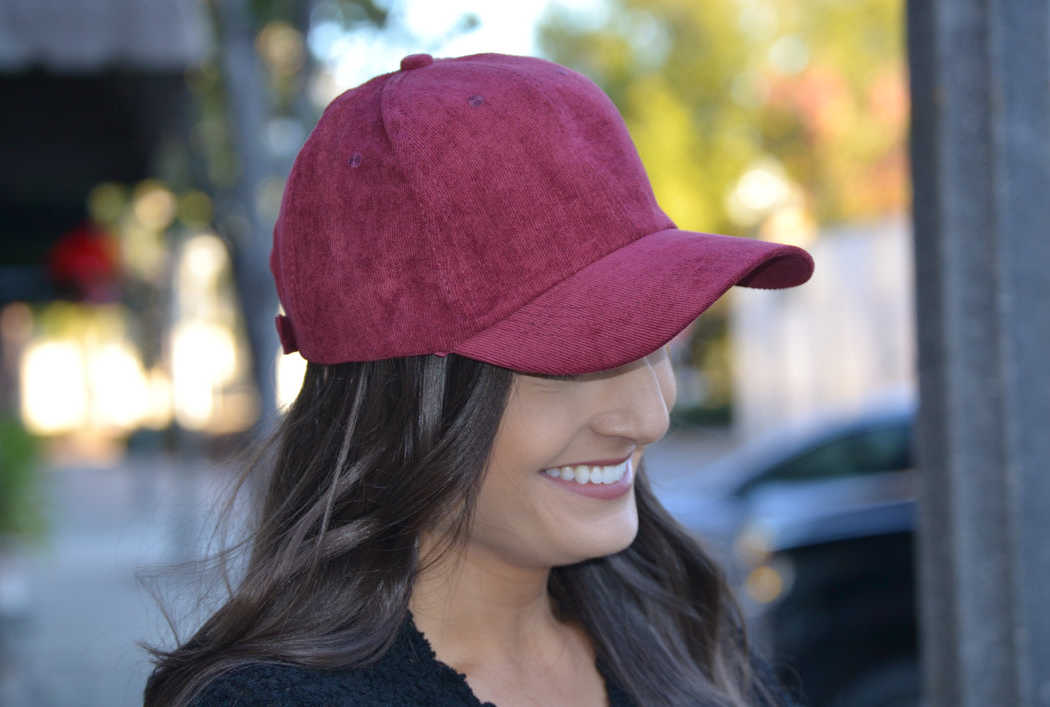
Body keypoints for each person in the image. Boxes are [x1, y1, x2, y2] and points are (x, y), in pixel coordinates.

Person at [144, 52, 814, 707]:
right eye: (579, 358)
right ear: (402, 398)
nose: (649, 417)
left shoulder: (688, 640)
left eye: (658, 340)